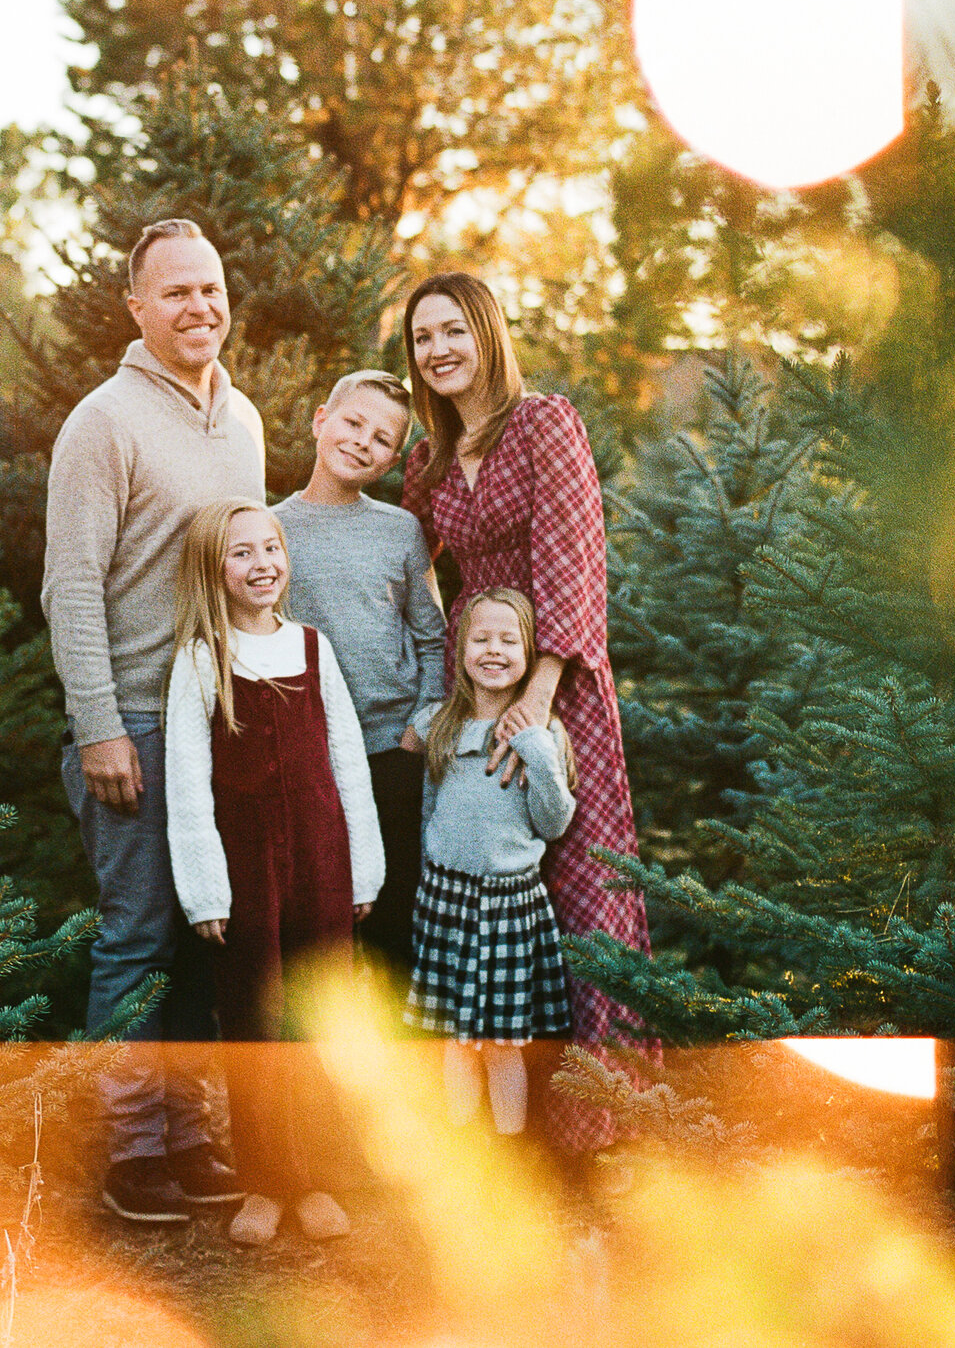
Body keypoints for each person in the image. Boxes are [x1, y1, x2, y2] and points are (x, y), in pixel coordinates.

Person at [398, 271, 655, 1157]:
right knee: (480, 895)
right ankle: (498, 1134)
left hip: (559, 682)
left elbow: (576, 553)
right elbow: (404, 557)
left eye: (453, 331)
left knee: (581, 892)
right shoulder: (428, 461)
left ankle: (598, 1126)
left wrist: (541, 697)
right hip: (479, 686)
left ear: (487, 333)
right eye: (422, 337)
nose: (438, 350)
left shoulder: (544, 423)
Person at [43, 219, 261, 1224]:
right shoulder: (103, 421)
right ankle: (129, 1155)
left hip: (217, 719)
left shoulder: (246, 423)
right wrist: (99, 725)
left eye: (209, 289)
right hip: (132, 714)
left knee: (203, 935)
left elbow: (251, 572)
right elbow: (71, 584)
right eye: (174, 292)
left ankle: (187, 1137)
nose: (197, 307)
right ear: (135, 309)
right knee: (135, 940)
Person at [162, 500, 382, 1246]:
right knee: (257, 1018)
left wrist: (363, 871)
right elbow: (187, 783)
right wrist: (205, 890)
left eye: (270, 549)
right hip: (248, 865)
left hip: (321, 854)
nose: (261, 565)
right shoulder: (201, 658)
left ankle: (317, 1174)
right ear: (213, 571)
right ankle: (265, 1179)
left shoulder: (313, 648)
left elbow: (349, 764)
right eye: (241, 554)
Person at [274, 370, 449, 980]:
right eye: (353, 423)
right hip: (308, 757)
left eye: (381, 439)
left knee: (394, 923)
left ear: (392, 460)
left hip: (390, 752)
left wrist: (423, 721)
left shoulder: (398, 531)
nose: (360, 442)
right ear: (322, 419)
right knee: (318, 930)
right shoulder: (271, 529)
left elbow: (433, 637)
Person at [402, 590, 577, 1136]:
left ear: (529, 653)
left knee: (502, 1043)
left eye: (509, 640)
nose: (494, 650)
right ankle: (463, 1154)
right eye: (481, 639)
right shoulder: (439, 725)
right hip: (446, 898)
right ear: (461, 651)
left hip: (508, 904)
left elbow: (554, 822)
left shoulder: (542, 736)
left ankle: (508, 1148)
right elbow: (430, 806)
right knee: (456, 1039)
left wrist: (538, 752)